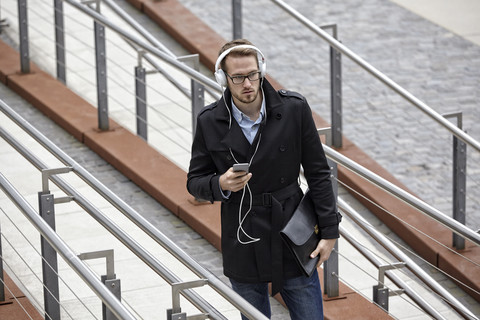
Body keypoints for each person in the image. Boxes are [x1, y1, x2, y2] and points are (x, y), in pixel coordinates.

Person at [187, 39, 341, 320]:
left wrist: (330, 231)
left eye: (253, 74)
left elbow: (319, 172)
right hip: (242, 233)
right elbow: (195, 181)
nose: (247, 83)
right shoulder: (210, 120)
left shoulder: (293, 109)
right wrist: (220, 184)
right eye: (238, 77)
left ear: (261, 71)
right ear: (223, 78)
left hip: (292, 230)